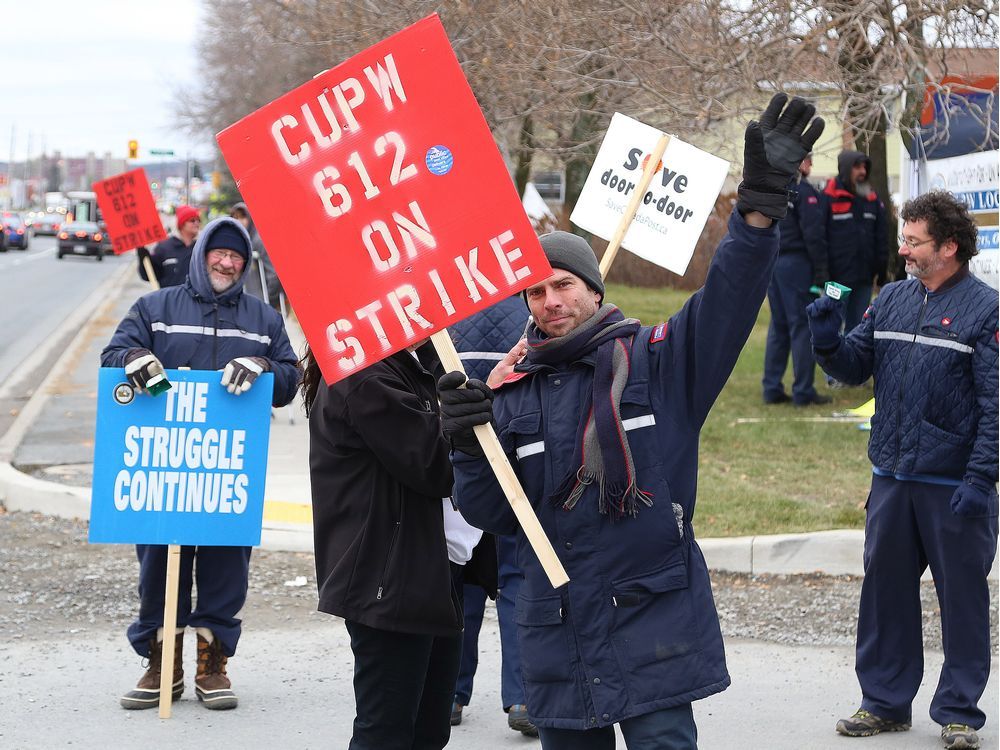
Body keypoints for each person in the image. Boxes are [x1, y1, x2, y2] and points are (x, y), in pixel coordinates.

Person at [437, 94, 824, 748]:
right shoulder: (510, 390)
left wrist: (757, 210)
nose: (551, 301)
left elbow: (727, 298)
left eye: (564, 284)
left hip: (653, 618)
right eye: (536, 290)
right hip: (555, 629)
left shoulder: (656, 364)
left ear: (594, 289)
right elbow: (490, 514)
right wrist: (466, 444)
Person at [807, 190, 997, 750]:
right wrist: (826, 340)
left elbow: (996, 404)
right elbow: (853, 366)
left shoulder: (986, 311)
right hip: (890, 478)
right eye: (904, 239)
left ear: (949, 248)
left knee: (962, 601)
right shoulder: (889, 298)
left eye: (914, 241)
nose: (903, 249)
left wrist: (981, 478)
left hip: (954, 487)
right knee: (885, 595)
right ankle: (884, 703)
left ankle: (959, 711)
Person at [102, 216, 300, 711]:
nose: (228, 262)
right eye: (220, 253)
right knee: (157, 570)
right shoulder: (155, 307)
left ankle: (213, 666)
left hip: (227, 472)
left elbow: (291, 379)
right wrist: (133, 361)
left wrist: (262, 368)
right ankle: (160, 664)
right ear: (202, 253)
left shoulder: (263, 319)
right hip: (164, 469)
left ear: (245, 261)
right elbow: (112, 355)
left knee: (225, 571)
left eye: (236, 256)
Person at [302, 340, 465, 750]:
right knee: (389, 733)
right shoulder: (365, 374)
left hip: (429, 566)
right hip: (390, 576)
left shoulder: (410, 361)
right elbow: (434, 466)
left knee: (428, 730)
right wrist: (478, 405)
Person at [448, 296, 538, 737]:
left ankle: (449, 691)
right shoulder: (532, 306)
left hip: (462, 458)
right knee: (516, 578)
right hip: (513, 455)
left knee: (458, 578)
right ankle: (524, 695)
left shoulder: (440, 301)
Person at [761, 153, 831, 407]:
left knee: (778, 326)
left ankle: (771, 387)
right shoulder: (805, 193)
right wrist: (822, 270)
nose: (811, 165)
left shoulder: (775, 191)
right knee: (802, 327)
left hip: (773, 262)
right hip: (797, 264)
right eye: (808, 159)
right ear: (798, 162)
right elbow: (814, 234)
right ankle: (803, 390)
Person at [822, 150, 888, 334]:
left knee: (858, 329)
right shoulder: (828, 196)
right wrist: (822, 273)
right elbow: (819, 238)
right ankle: (831, 363)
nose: (863, 172)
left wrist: (880, 271)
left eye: (865, 167)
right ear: (845, 169)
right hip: (836, 280)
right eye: (857, 167)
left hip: (864, 278)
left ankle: (852, 362)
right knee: (831, 328)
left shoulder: (872, 198)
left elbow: (881, 237)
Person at [230, 201, 284, 310]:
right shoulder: (240, 241)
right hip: (249, 301)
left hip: (264, 302)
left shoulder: (258, 240)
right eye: (235, 217)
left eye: (242, 217)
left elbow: (273, 274)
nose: (238, 221)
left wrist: (268, 299)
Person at [138, 204, 201, 288]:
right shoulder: (164, 248)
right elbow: (149, 275)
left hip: (195, 300)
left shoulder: (201, 248)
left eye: (198, 220)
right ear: (182, 224)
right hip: (170, 300)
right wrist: (143, 256)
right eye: (192, 220)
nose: (196, 223)